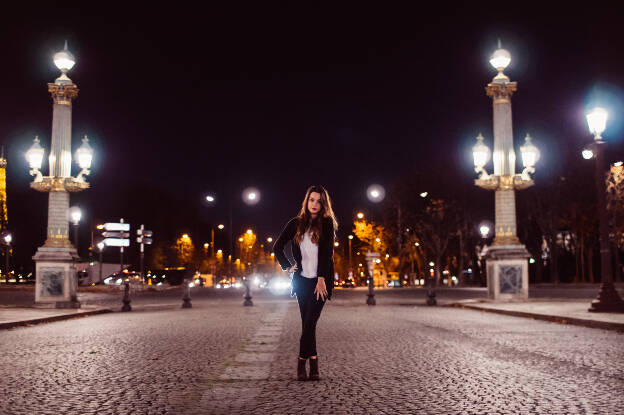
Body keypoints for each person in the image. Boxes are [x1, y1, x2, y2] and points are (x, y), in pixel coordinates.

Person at [273, 185, 338, 381]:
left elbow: (327, 254)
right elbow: (277, 247)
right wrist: (287, 266)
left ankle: (302, 362)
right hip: (302, 282)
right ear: (306, 201)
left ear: (323, 204)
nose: (315, 204)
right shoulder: (295, 224)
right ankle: (314, 363)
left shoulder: (327, 223)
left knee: (310, 323)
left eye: (319, 201)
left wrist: (321, 279)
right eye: (312, 200)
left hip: (321, 283)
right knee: (307, 325)